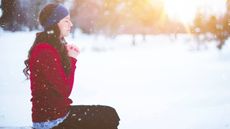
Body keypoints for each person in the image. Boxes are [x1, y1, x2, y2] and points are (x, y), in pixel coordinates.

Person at [23, 3, 120, 129]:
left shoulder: (50, 47)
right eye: (66, 21)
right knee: (108, 116)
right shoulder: (45, 51)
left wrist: (66, 57)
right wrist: (72, 59)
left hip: (57, 115)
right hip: (51, 121)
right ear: (55, 23)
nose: (71, 24)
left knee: (109, 114)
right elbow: (65, 90)